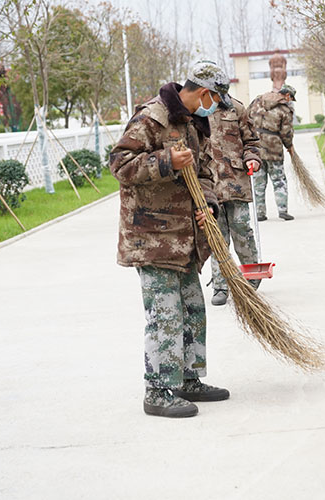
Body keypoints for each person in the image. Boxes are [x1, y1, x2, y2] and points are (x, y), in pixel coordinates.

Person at [109, 61, 232, 419]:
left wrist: (206, 204)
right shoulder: (152, 117)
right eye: (215, 99)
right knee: (165, 316)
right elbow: (119, 164)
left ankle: (187, 379)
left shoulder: (194, 123)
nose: (216, 107)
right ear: (204, 92)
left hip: (184, 239)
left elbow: (204, 170)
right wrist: (165, 161)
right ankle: (158, 390)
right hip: (151, 237)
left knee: (192, 309)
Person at [208, 97, 262, 306]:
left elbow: (252, 142)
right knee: (217, 235)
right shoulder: (196, 111)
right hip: (209, 184)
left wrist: (253, 158)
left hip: (236, 181)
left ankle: (251, 277)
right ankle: (221, 285)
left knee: (241, 228)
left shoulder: (236, 108)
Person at [248, 84, 297, 221]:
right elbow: (286, 132)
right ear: (287, 95)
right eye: (291, 98)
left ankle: (260, 213)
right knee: (279, 180)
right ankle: (282, 210)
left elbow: (246, 118)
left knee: (259, 182)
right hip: (274, 149)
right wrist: (290, 146)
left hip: (256, 146)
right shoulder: (285, 109)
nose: (290, 101)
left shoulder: (258, 100)